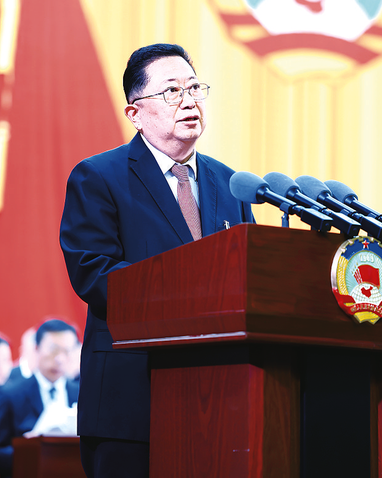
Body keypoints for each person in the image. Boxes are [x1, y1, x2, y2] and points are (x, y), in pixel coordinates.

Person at [60, 43, 254, 478]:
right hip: (131, 400)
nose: (188, 100)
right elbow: (93, 272)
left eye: (195, 88)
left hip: (220, 398)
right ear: (135, 113)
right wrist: (188, 289)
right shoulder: (99, 176)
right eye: (171, 91)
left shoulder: (232, 184)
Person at [0, 319, 80, 477]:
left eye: (67, 351)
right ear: (36, 348)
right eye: (54, 350)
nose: (59, 359)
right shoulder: (11, 394)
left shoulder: (81, 393)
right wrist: (27, 448)